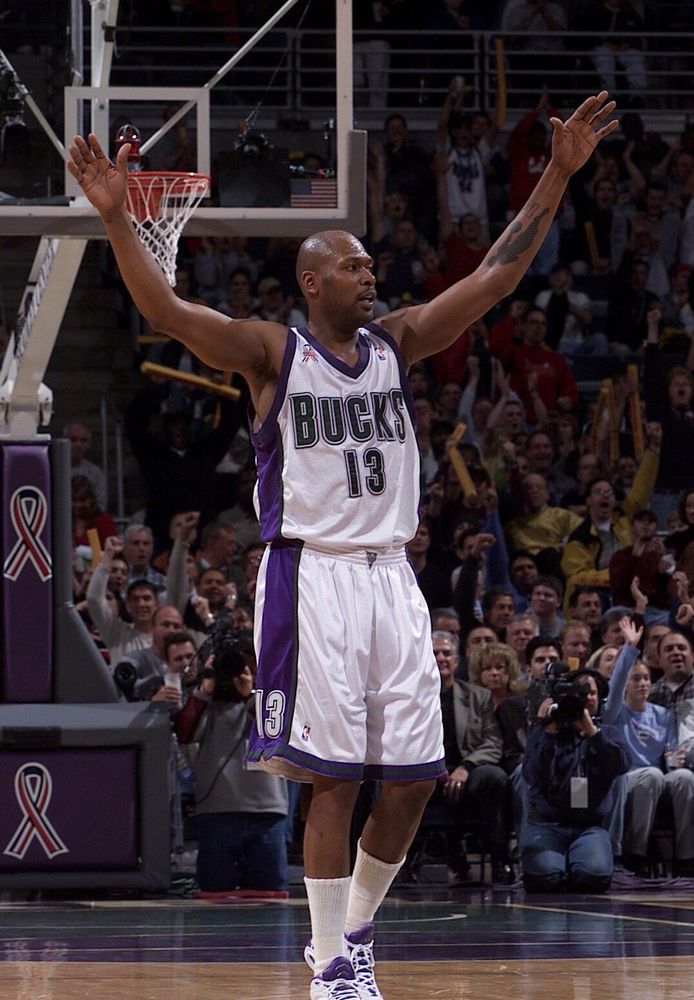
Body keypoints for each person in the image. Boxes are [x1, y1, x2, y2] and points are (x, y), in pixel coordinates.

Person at [68, 93, 617, 999]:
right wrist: (118, 218)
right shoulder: (271, 354)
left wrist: (557, 173)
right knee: (332, 780)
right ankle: (328, 962)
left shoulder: (399, 341)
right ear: (313, 283)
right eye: (355, 269)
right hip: (311, 572)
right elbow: (164, 311)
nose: (373, 277)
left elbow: (494, 278)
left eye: (372, 265)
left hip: (393, 576)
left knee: (411, 777)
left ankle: (354, 936)